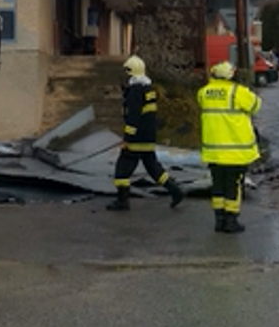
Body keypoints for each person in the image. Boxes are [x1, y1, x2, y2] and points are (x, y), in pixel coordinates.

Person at [107, 55, 184, 211]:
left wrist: (127, 139)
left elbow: (133, 117)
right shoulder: (148, 90)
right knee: (154, 168)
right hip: (148, 137)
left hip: (136, 140)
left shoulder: (135, 92)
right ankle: (175, 190)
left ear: (131, 73)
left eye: (127, 73)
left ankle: (122, 201)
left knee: (122, 169)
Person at [197, 60, 262, 233]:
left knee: (217, 186)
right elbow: (256, 105)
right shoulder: (237, 92)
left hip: (213, 152)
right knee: (233, 186)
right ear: (231, 75)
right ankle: (231, 221)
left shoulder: (203, 93)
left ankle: (219, 220)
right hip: (235, 151)